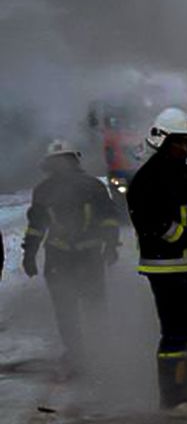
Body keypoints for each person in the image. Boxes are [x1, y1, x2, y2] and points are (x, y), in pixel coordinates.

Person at [125, 107, 187, 415]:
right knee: (175, 332)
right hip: (167, 268)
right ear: (162, 140)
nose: (185, 148)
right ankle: (172, 397)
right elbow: (152, 221)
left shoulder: (182, 174)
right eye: (179, 141)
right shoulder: (148, 178)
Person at [22, 140, 122, 375]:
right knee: (91, 305)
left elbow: (36, 226)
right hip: (86, 257)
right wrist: (110, 246)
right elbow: (109, 218)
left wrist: (30, 255)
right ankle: (96, 354)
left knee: (67, 309)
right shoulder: (92, 185)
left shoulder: (45, 190)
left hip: (61, 258)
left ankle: (79, 354)